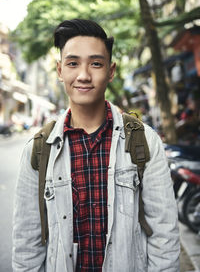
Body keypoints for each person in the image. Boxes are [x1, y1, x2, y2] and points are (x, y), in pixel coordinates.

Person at [12, 19, 180, 272]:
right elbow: (27, 242)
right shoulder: (38, 149)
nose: (83, 75)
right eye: (72, 63)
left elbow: (163, 234)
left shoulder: (144, 141)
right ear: (59, 70)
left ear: (111, 71)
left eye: (96, 63)